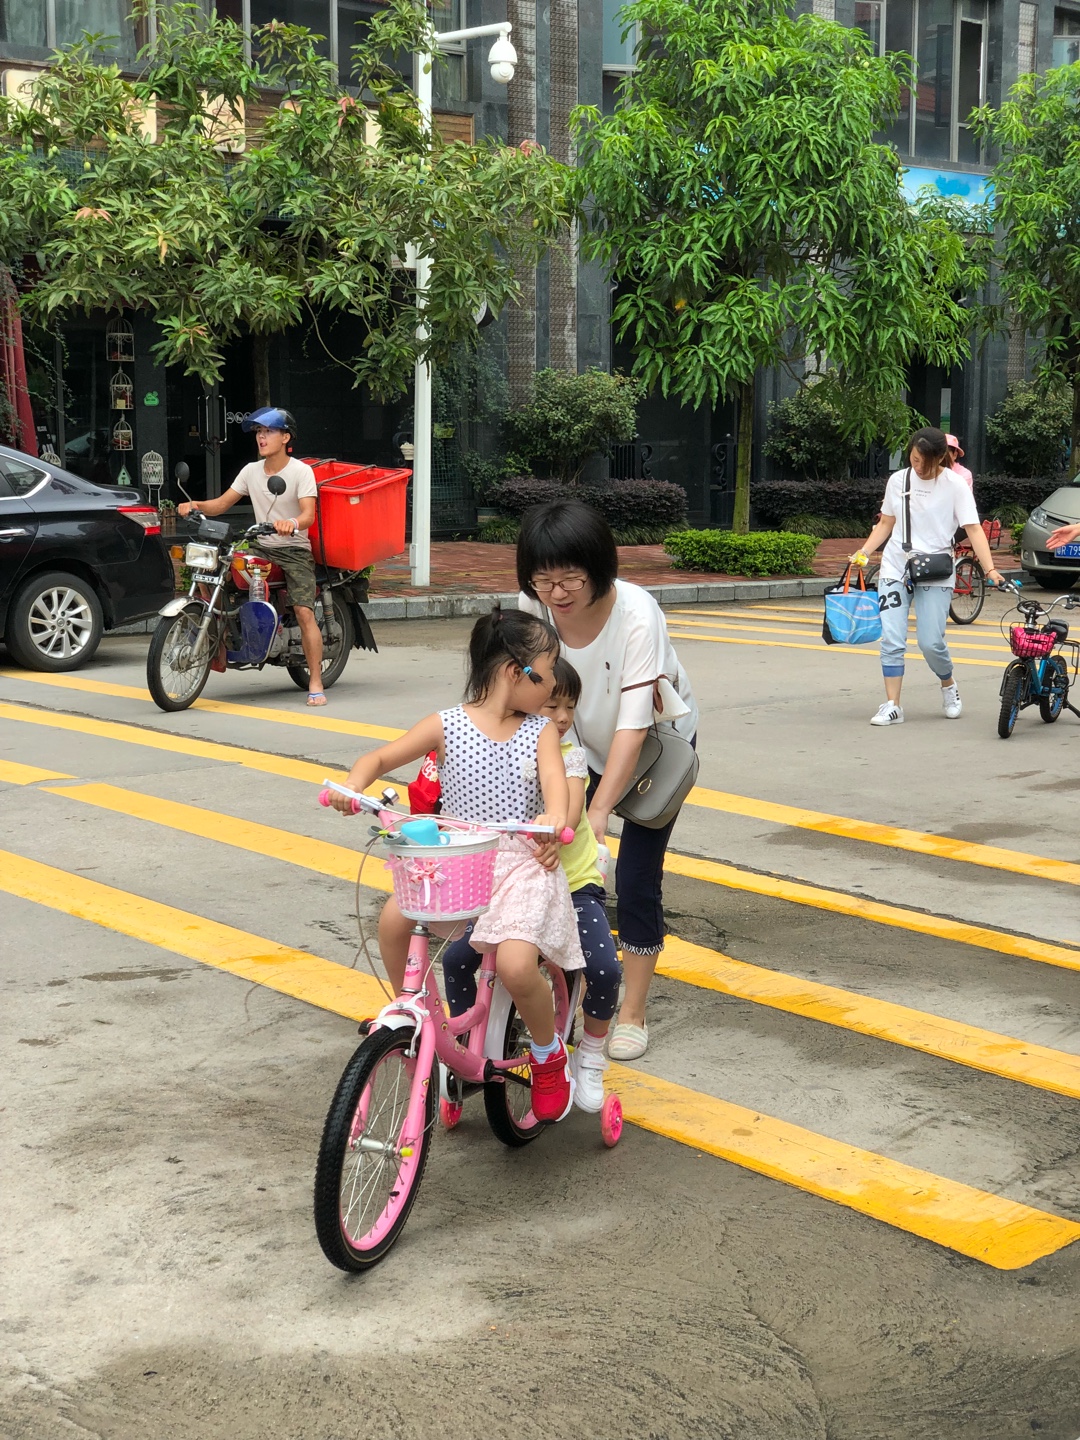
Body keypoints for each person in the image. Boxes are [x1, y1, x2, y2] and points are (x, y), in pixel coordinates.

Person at [328, 607, 584, 1124]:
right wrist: (353, 784)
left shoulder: (540, 732)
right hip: (461, 859)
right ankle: (420, 1014)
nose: (550, 685)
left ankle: (547, 1053)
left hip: (520, 862)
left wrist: (553, 819)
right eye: (546, 673)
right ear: (515, 672)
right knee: (393, 921)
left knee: (516, 965)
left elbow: (558, 792)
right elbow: (379, 758)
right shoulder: (445, 724)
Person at [517, 500, 698, 1063]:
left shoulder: (637, 614)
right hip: (570, 743)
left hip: (651, 749)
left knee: (638, 878)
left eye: (571, 578)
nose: (557, 593)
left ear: (600, 567)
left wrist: (597, 813)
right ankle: (563, 991)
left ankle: (633, 1011)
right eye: (544, 579)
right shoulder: (533, 606)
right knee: (550, 866)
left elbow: (633, 724)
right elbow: (522, 693)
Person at [441, 656, 622, 1112]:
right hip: (508, 883)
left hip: (572, 884)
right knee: (457, 959)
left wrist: (555, 826)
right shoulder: (505, 747)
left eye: (570, 708)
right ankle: (464, 1044)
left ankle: (591, 1053)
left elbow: (570, 806)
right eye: (551, 706)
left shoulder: (569, 756)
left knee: (604, 968)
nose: (561, 717)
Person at [850, 427, 1007, 726]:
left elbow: (974, 529)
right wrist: (864, 552)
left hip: (935, 569)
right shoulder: (899, 480)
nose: (919, 466)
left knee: (930, 642)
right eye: (914, 458)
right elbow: (886, 523)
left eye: (925, 461)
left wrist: (990, 569)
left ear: (941, 458)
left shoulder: (955, 485)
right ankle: (893, 705)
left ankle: (948, 683)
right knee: (892, 639)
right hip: (896, 567)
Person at [176, 406, 327, 706]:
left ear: (285, 437)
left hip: (294, 551)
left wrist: (291, 523)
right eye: (258, 432)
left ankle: (315, 681)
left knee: (303, 611)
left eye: (268, 431)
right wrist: (196, 505)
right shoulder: (250, 471)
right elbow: (222, 504)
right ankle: (222, 640)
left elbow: (308, 515)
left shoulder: (301, 472)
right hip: (260, 545)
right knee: (212, 572)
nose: (261, 437)